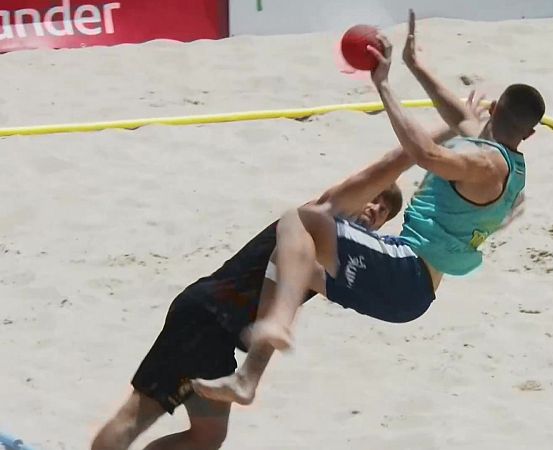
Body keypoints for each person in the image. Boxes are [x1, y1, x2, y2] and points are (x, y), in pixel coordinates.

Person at [193, 9, 545, 406]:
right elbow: (460, 116)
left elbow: (424, 153)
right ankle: (248, 378)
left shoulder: (484, 163)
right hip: (411, 296)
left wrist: (384, 86)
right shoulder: (508, 162)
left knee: (304, 221)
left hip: (406, 270)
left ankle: (273, 325)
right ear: (530, 133)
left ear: (495, 108)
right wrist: (416, 65)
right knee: (294, 264)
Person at [90, 120, 465, 450]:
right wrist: (451, 127)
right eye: (375, 199)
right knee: (135, 418)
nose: (376, 209)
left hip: (224, 334)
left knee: (207, 438)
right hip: (205, 316)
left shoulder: (342, 256)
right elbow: (394, 160)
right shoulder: (323, 214)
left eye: (385, 211)